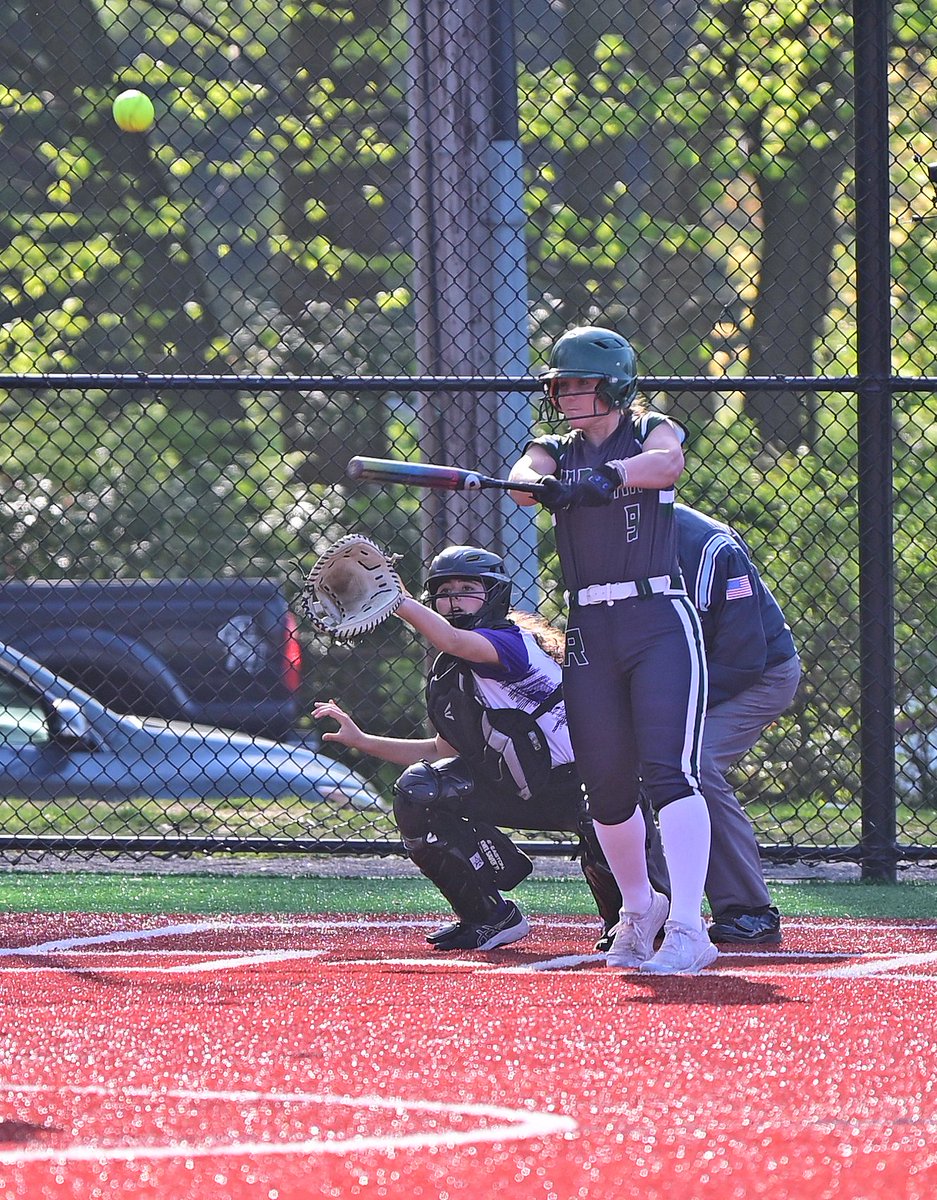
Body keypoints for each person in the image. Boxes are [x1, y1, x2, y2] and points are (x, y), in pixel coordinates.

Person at [508, 324, 718, 975]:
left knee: (668, 773)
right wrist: (545, 483)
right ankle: (638, 909)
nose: (566, 394)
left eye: (579, 383)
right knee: (602, 785)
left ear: (613, 386)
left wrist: (607, 477)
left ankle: (688, 926)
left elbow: (666, 465)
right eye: (560, 384)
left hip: (656, 618)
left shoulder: (651, 429)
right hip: (589, 628)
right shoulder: (554, 448)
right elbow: (521, 477)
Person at [312, 545, 622, 952]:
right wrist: (363, 742)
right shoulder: (451, 669)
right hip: (520, 787)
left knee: (603, 813)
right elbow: (443, 749)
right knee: (418, 791)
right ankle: (489, 917)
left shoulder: (507, 642)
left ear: (494, 594)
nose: (454, 598)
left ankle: (628, 921)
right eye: (445, 590)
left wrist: (399, 602)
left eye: (467, 588)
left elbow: (453, 638)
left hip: (581, 785)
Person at [674, 502, 801, 944]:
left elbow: (746, 659)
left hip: (756, 675)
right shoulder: (597, 541)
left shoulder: (708, 546)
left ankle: (750, 910)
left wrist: (669, 706)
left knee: (692, 763)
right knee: (622, 764)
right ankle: (650, 904)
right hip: (674, 680)